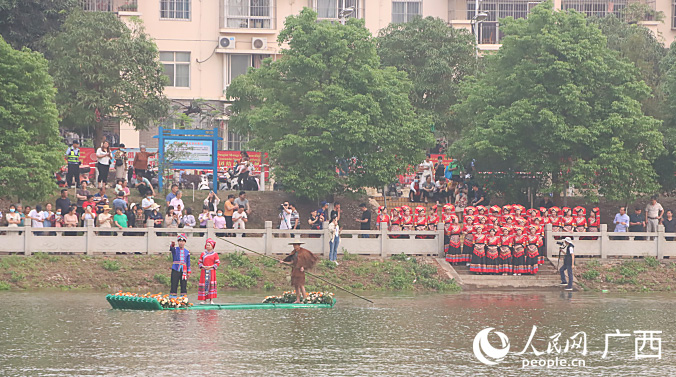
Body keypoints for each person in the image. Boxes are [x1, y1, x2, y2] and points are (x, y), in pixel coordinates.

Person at [198, 238, 220, 304]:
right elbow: (199, 262)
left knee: (211, 285)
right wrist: (203, 266)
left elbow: (217, 263)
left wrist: (211, 266)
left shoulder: (215, 254)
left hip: (211, 271)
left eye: (209, 245)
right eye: (207, 245)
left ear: (212, 246)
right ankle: (204, 300)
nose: (208, 246)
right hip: (204, 271)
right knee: (204, 285)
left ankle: (211, 300)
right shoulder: (203, 254)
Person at [169, 234, 191, 298]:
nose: (181, 243)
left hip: (184, 270)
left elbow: (188, 262)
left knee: (183, 284)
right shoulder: (175, 249)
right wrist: (172, 245)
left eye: (183, 241)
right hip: (176, 268)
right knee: (174, 283)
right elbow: (171, 248)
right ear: (178, 242)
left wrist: (188, 272)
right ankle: (172, 298)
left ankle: (183, 299)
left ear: (185, 242)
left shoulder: (187, 252)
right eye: (180, 241)